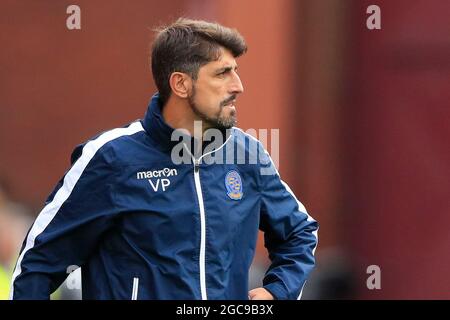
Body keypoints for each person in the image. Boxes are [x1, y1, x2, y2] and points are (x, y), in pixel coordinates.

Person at [10, 18, 318, 300]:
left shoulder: (247, 154)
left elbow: (299, 232)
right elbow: (38, 264)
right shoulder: (111, 158)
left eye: (235, 71)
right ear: (181, 84)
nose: (238, 86)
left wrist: (278, 291)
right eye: (223, 73)